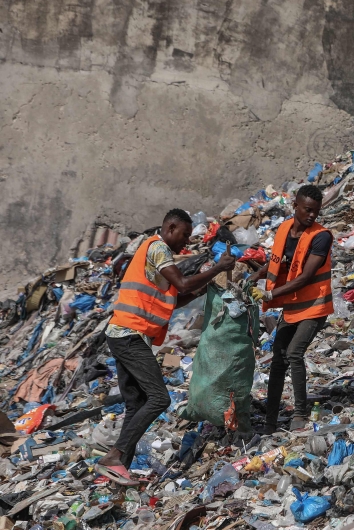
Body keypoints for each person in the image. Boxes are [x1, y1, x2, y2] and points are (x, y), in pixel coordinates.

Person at [98, 209, 236, 485]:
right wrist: (218, 268)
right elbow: (182, 282)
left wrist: (203, 288)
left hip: (120, 332)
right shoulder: (158, 248)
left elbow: (176, 297)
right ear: (171, 227)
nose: (185, 242)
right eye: (184, 235)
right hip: (129, 334)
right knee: (159, 398)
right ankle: (115, 456)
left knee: (136, 403)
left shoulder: (154, 252)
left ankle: (116, 469)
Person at [249, 184, 333, 433]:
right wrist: (256, 276)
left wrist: (270, 293)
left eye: (316, 212)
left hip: (315, 306)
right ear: (295, 206)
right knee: (278, 360)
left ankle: (300, 413)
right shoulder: (284, 230)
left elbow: (306, 276)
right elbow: (280, 262)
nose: (312, 216)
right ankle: (270, 421)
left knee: (295, 353)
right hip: (293, 306)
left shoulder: (322, 236)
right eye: (307, 210)